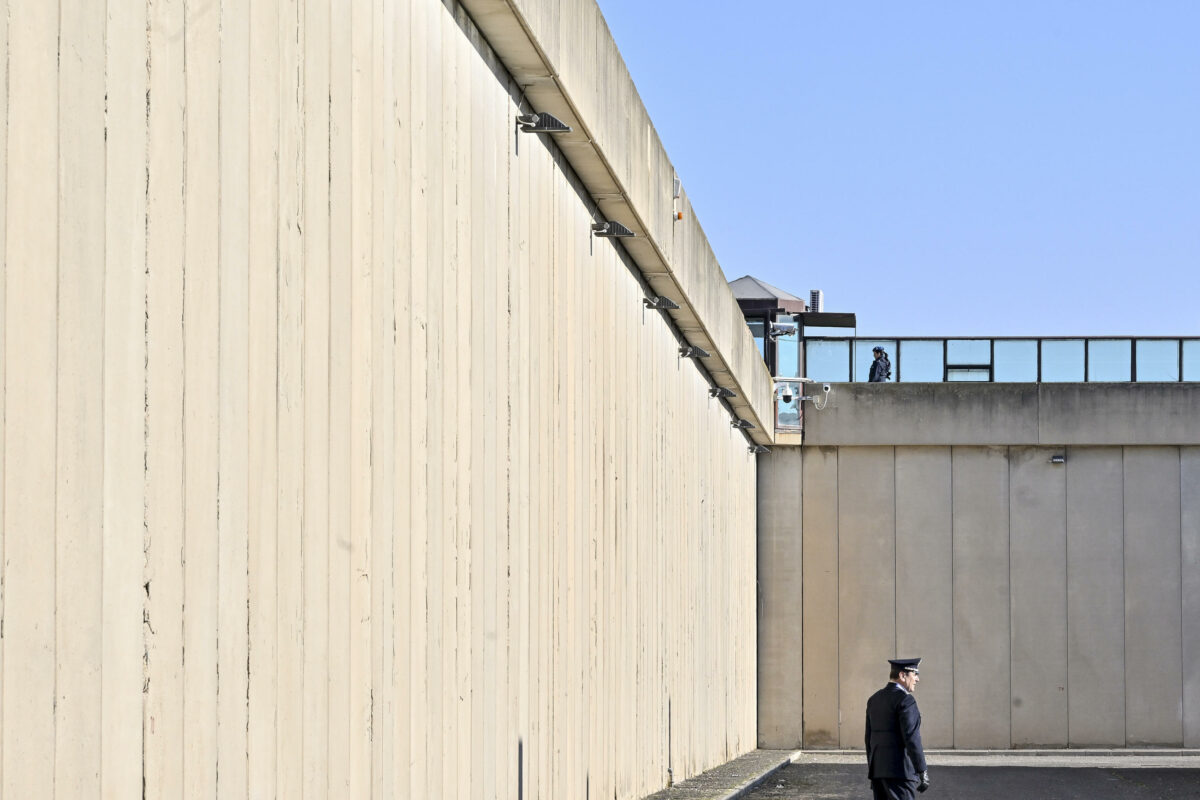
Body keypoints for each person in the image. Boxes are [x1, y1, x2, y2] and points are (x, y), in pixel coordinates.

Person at [865, 657, 929, 799]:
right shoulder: (906, 700)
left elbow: (869, 739)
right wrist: (922, 770)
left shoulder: (874, 699)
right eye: (915, 674)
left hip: (878, 773)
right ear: (902, 675)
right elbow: (912, 737)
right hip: (900, 773)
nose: (917, 679)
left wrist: (873, 769)